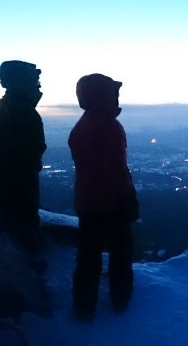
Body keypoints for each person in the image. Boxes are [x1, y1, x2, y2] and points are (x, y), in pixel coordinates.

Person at [69, 73, 139, 318]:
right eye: (113, 93)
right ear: (104, 97)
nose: (117, 97)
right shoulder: (110, 127)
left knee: (88, 253)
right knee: (120, 251)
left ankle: (83, 304)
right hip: (112, 203)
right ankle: (120, 298)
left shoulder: (82, 125)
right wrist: (128, 196)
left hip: (86, 202)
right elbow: (115, 167)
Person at [0, 60, 46, 252]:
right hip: (18, 178)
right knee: (22, 225)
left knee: (15, 223)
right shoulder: (21, 111)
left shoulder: (9, 108)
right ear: (20, 81)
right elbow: (27, 149)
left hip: (11, 175)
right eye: (34, 79)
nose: (38, 84)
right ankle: (25, 270)